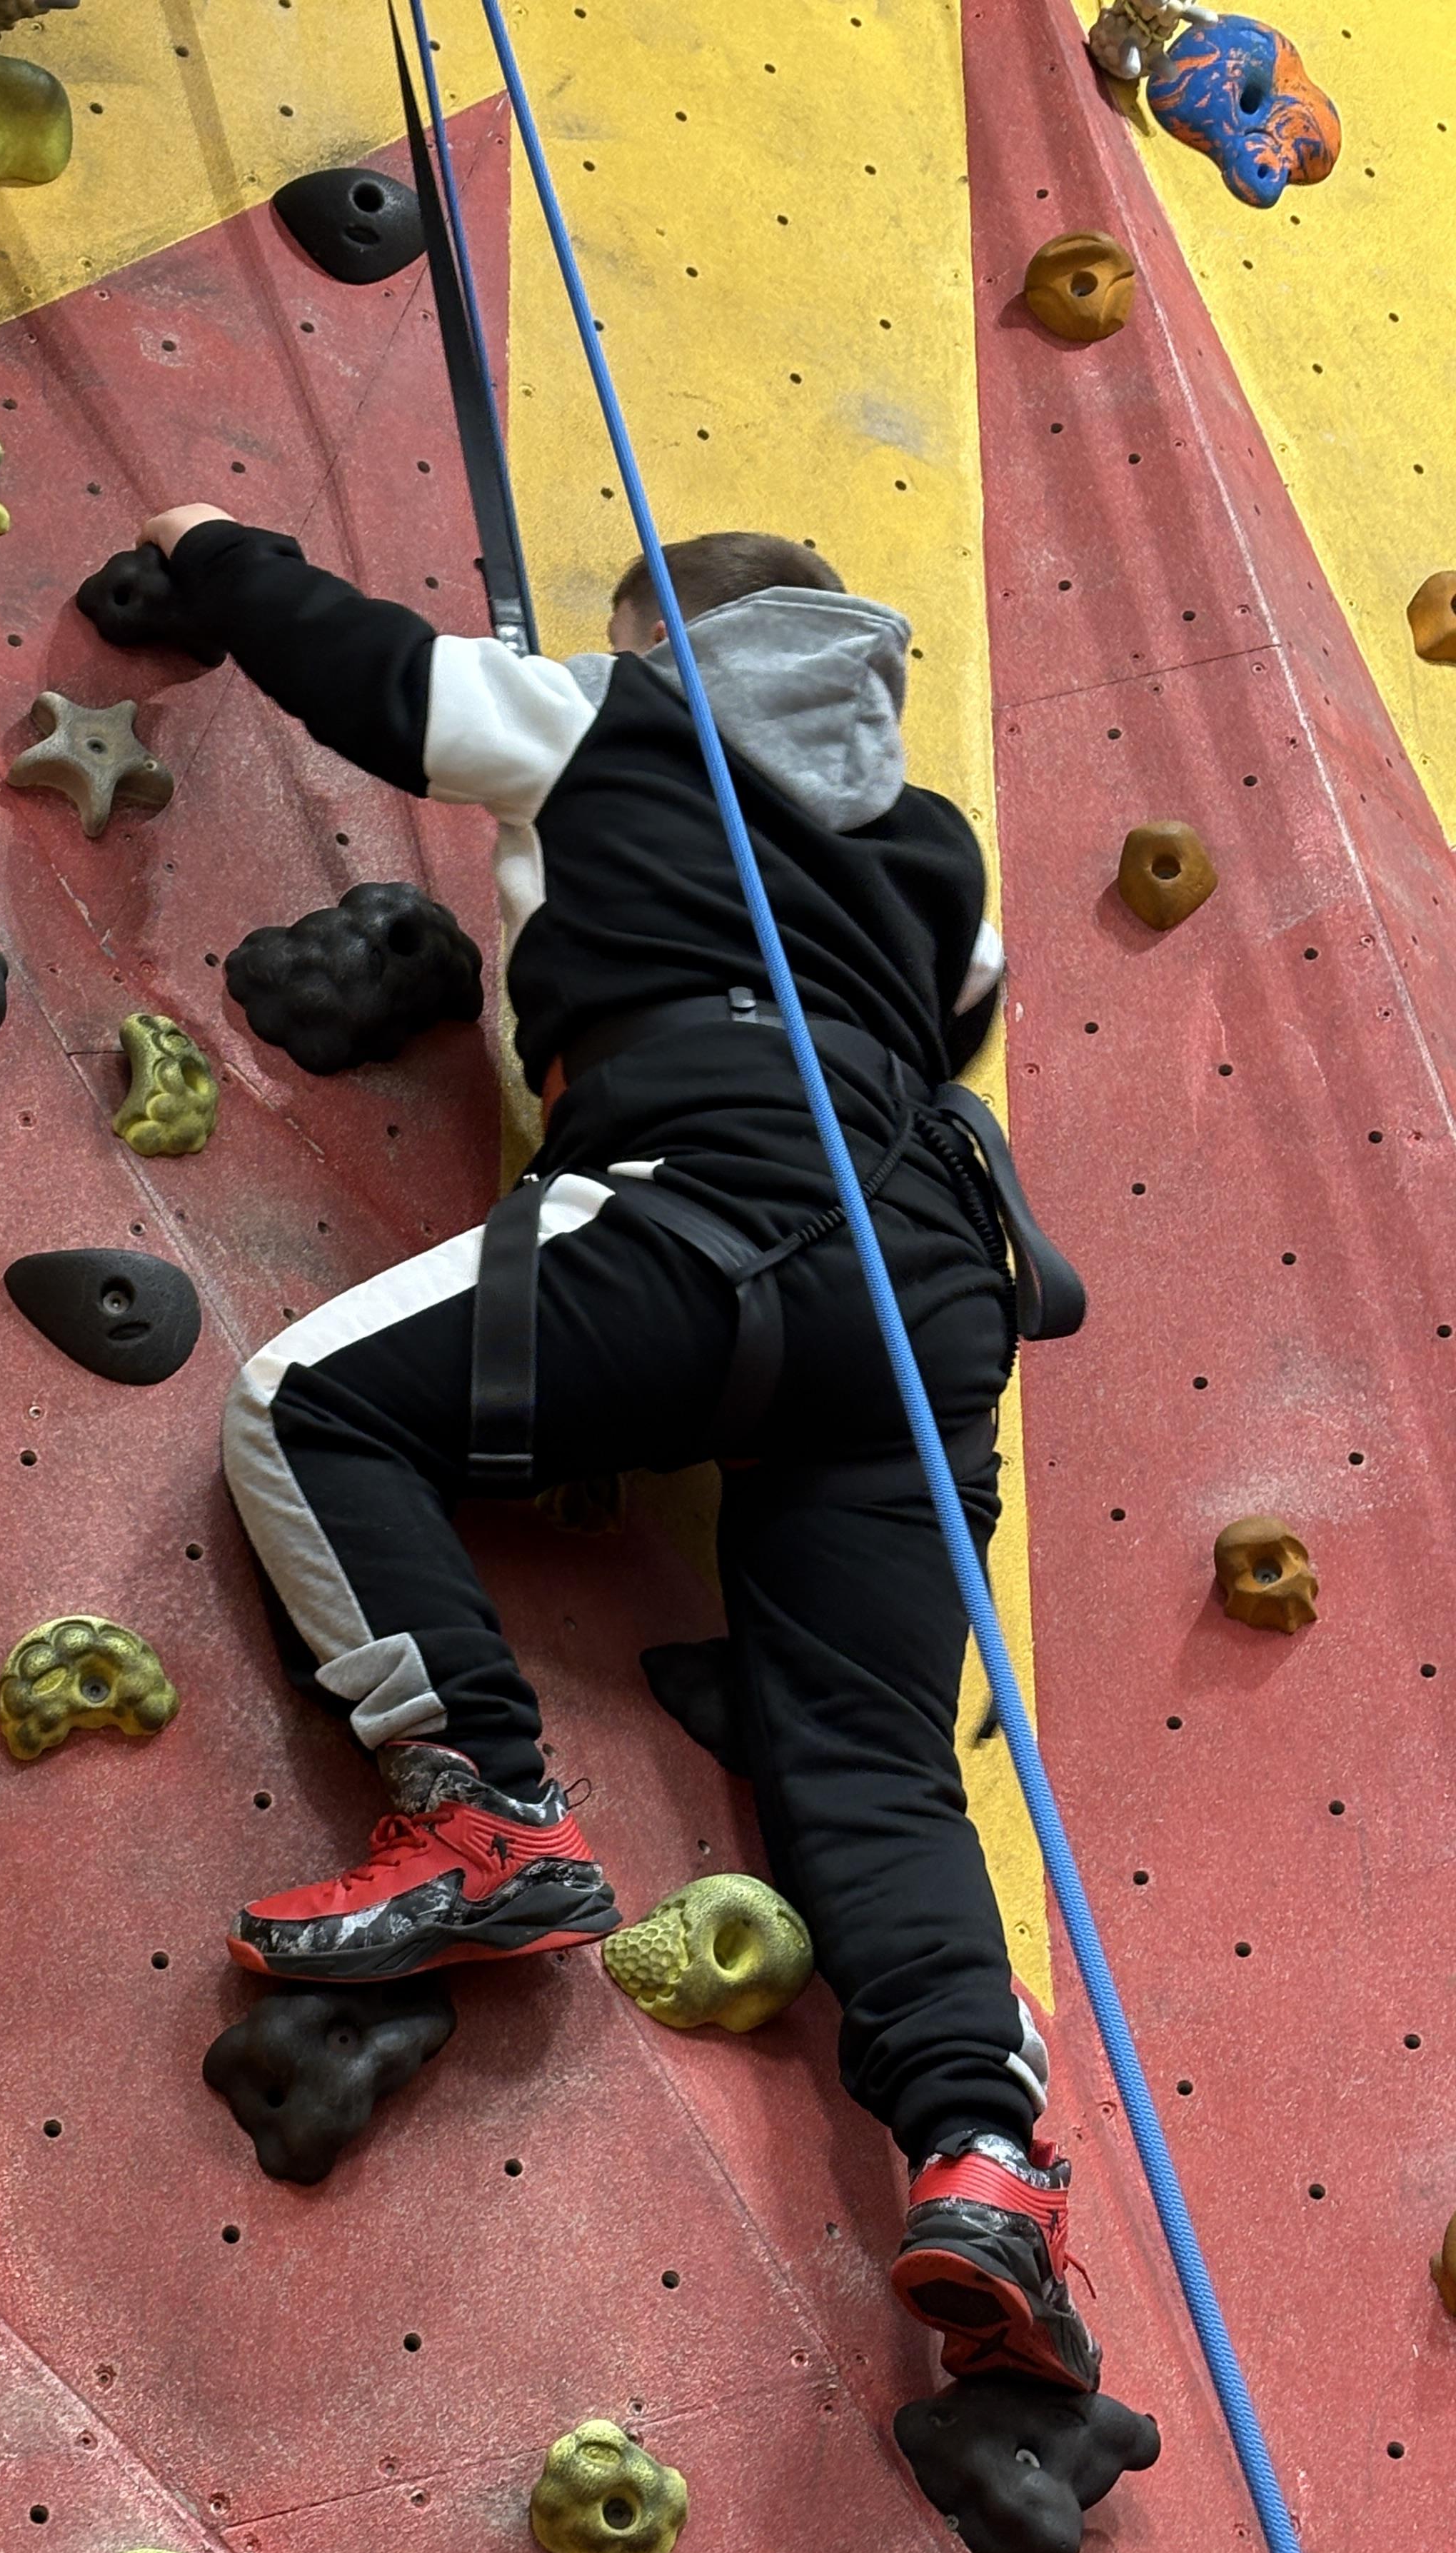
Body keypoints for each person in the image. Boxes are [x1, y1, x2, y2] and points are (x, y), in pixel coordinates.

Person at [139, 504, 1098, 2396]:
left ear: (663, 630)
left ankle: (479, 1798)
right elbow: (964, 1012)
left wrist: (211, 544)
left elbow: (371, 678)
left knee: (309, 1405)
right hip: (925, 1295)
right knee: (878, 1757)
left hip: (700, 1198)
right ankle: (983, 2155)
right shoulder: (937, 848)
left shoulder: (601, 712)